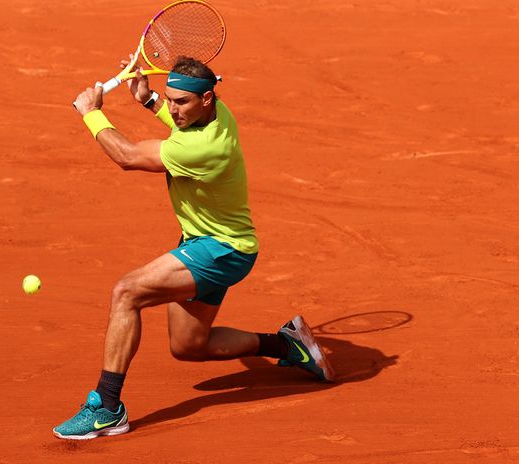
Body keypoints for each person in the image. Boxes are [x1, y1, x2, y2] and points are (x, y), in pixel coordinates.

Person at [53, 56, 335, 440]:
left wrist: (91, 113)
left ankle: (107, 406)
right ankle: (287, 345)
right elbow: (180, 122)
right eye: (169, 99)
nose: (173, 109)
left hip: (222, 250)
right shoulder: (218, 112)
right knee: (189, 346)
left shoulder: (204, 148)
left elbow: (128, 156)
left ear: (206, 98)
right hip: (206, 242)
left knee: (126, 292)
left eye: (181, 102)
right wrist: (148, 100)